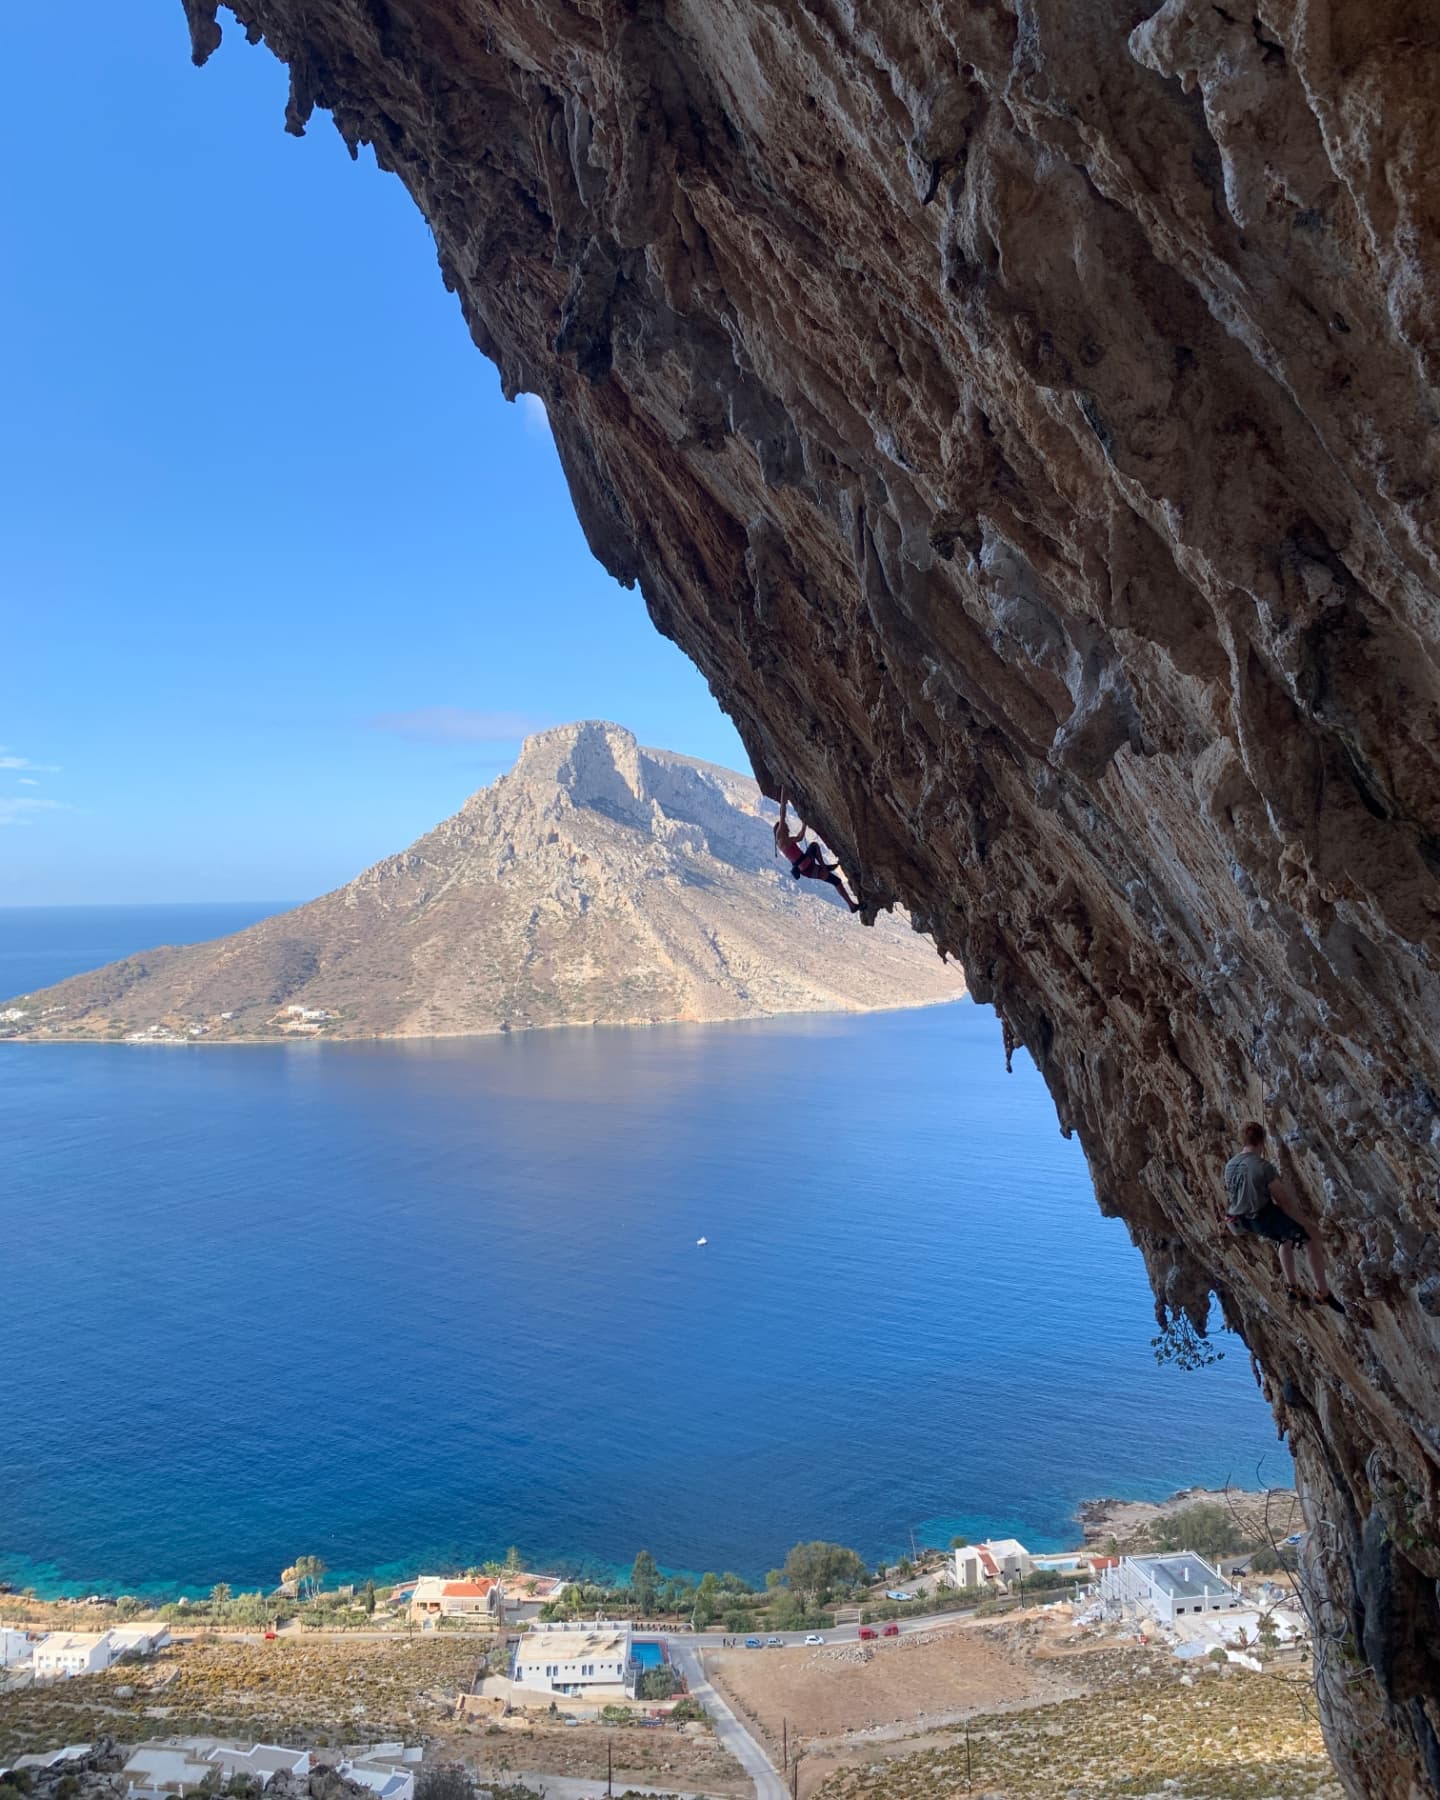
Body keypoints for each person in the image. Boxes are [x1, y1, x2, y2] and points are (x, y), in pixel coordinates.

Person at [1223, 1121, 1344, 1312]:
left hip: (1244, 1220)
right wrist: (1305, 1223)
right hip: (1264, 1217)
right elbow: (1284, 1202)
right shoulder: (1263, 1167)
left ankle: (1292, 1287)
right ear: (1262, 1141)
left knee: (1284, 1238)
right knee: (1310, 1238)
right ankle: (1323, 1293)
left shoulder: (1230, 1165)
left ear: (1243, 1140)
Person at [773, 788, 861, 912]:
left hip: (806, 866)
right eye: (785, 827)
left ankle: (852, 906)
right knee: (817, 852)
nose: (787, 828)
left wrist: (804, 823)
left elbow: (800, 837)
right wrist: (783, 790)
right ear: (780, 829)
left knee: (834, 879)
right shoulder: (781, 837)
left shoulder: (786, 841)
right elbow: (782, 812)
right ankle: (825, 867)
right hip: (808, 868)